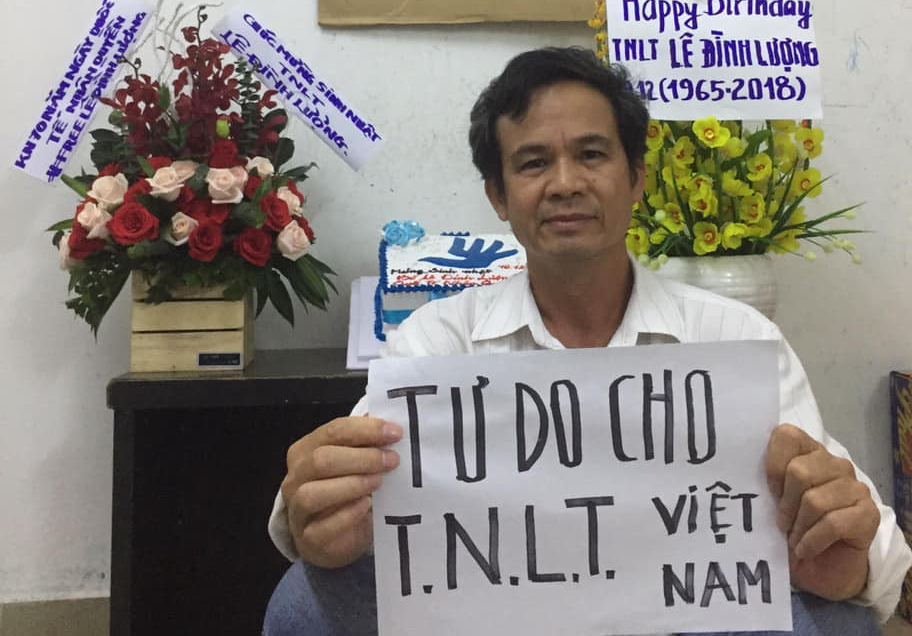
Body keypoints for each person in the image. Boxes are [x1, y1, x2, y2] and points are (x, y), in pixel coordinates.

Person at [264, 46, 911, 636]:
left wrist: (847, 566)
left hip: (682, 623)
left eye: (593, 154)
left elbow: (873, 550)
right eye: (534, 162)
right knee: (305, 600)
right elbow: (326, 514)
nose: (565, 182)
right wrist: (313, 518)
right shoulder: (436, 340)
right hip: (497, 622)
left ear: (637, 179)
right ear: (498, 195)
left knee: (834, 621)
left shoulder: (735, 338)